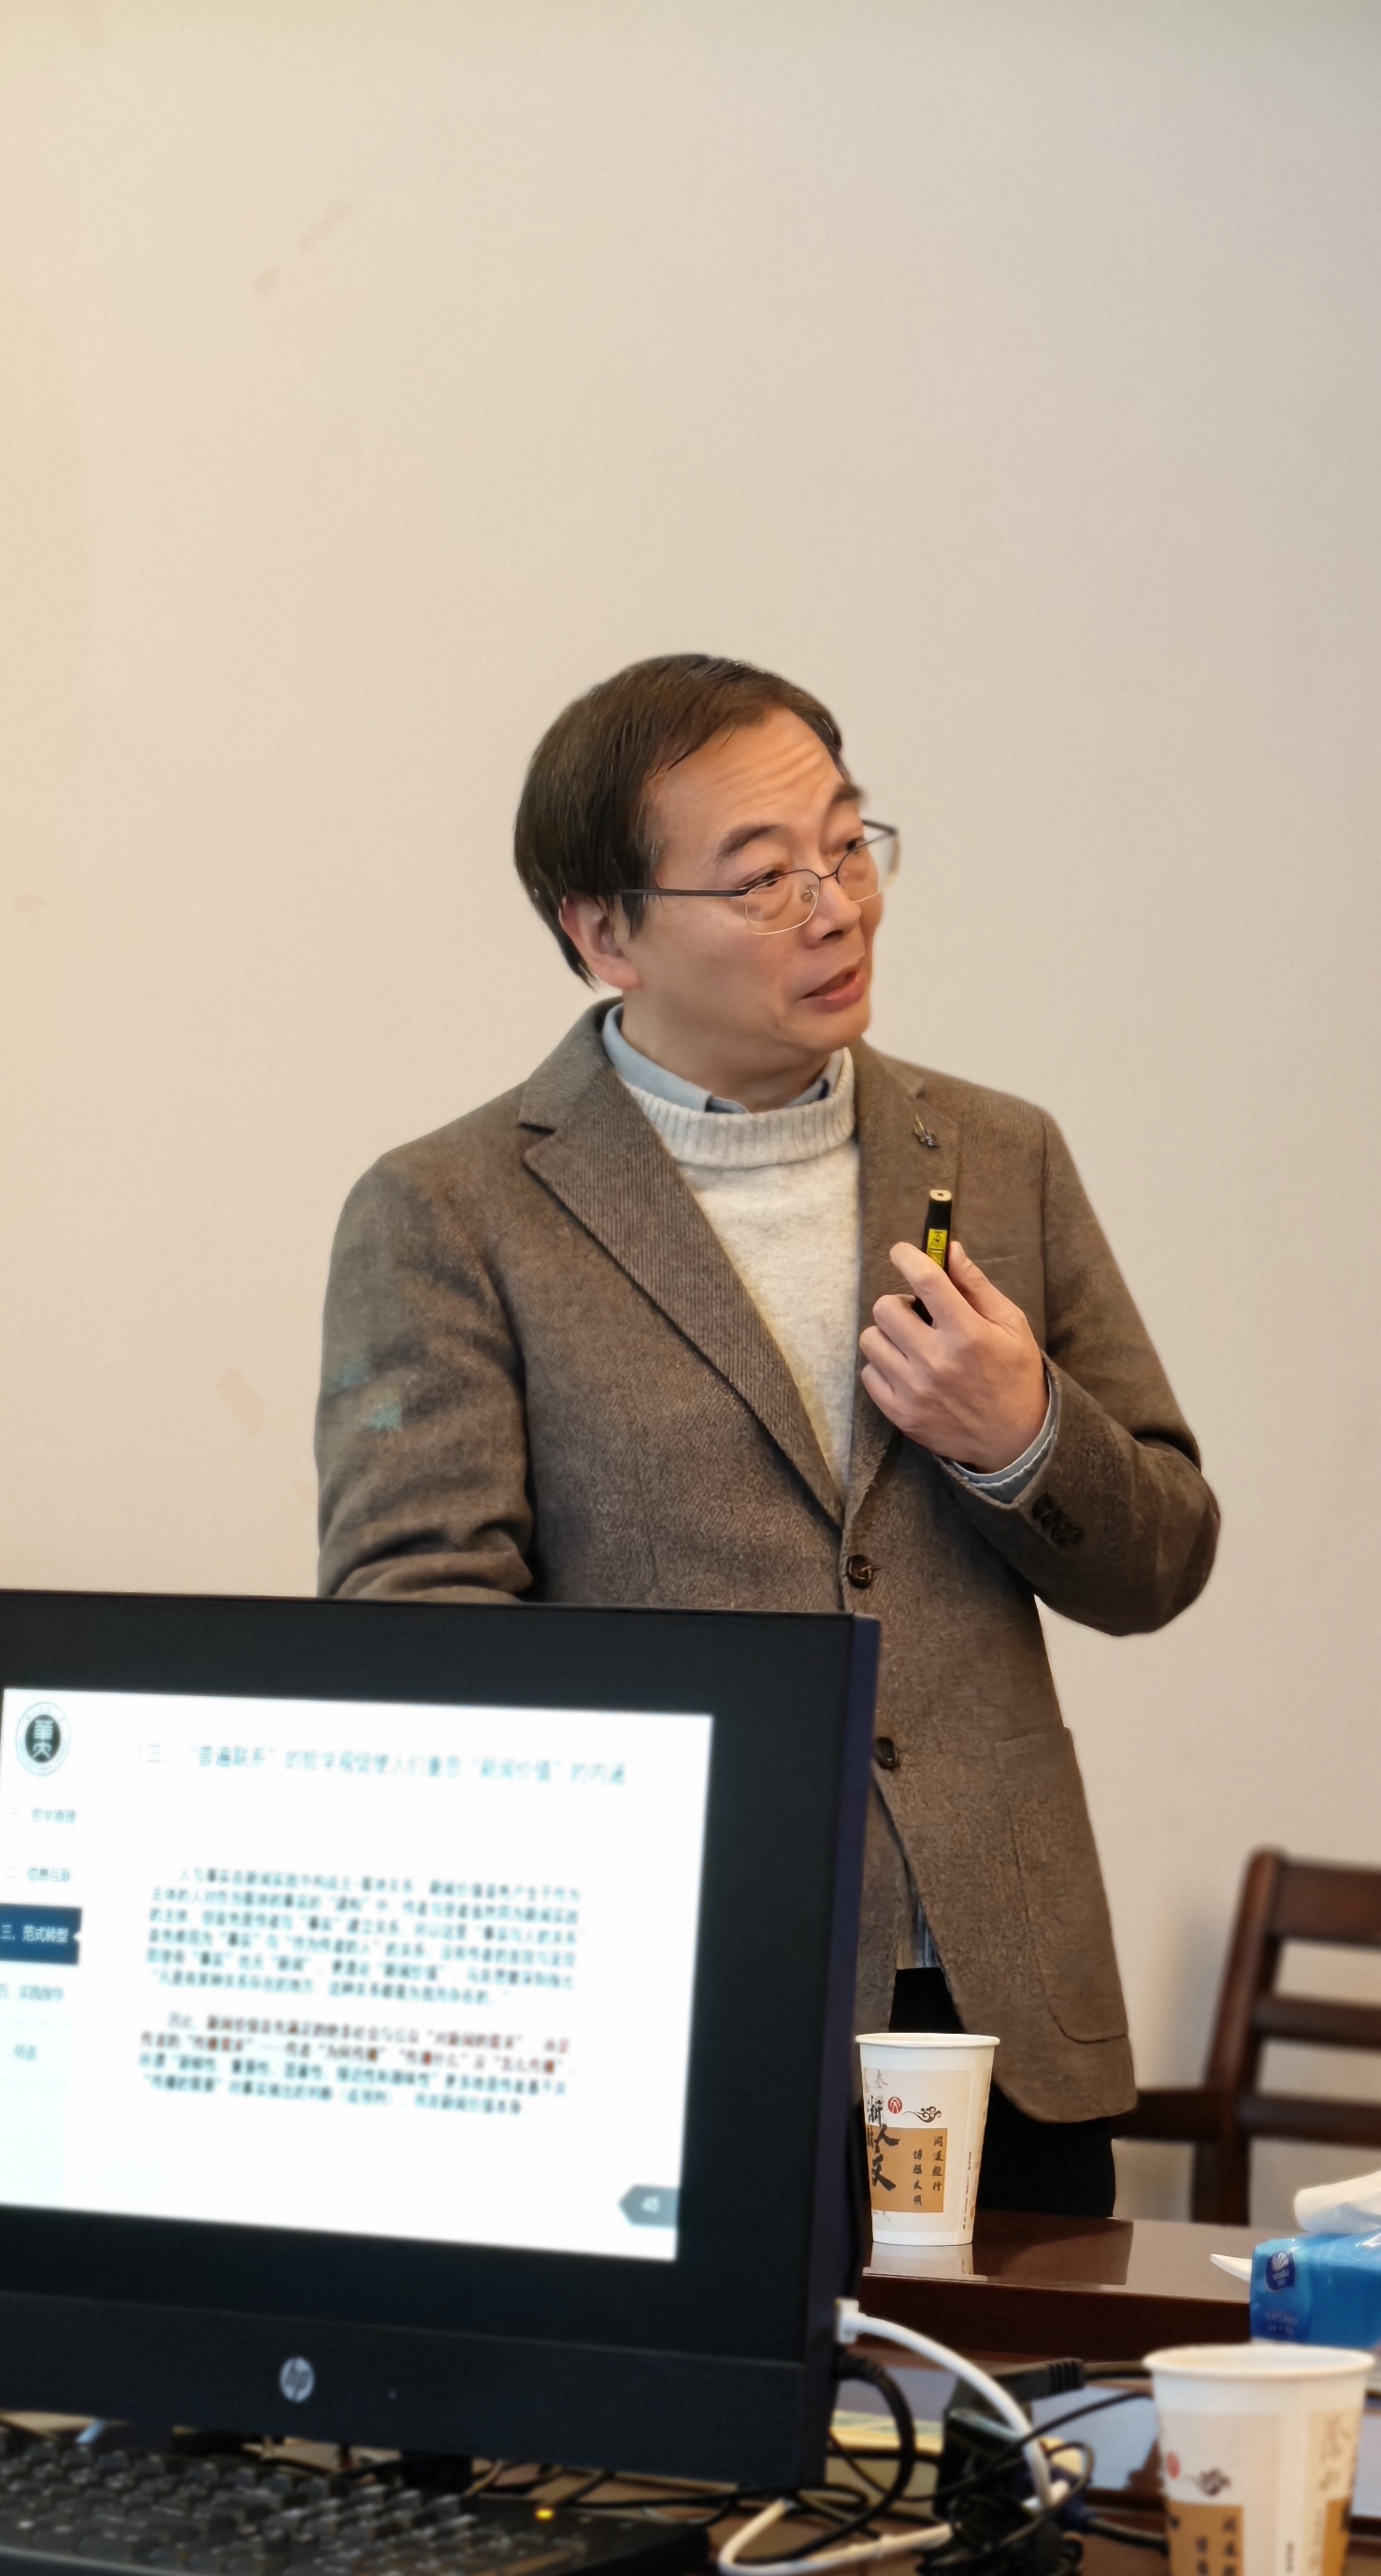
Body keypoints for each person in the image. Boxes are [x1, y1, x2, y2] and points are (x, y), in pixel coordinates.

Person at [315, 655, 1217, 2216]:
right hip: (668, 2000)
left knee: (1023, 2381)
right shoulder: (449, 1210)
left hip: (996, 2002)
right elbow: (418, 1639)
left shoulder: (999, 1153)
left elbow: (1160, 1561)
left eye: (848, 847)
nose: (836, 907)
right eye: (760, 879)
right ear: (604, 932)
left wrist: (1022, 1440)